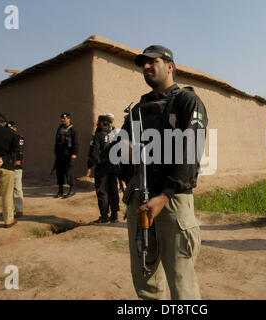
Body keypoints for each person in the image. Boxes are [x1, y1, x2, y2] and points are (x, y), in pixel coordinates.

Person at [121, 45, 208, 299]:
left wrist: (166, 194)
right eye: (143, 64)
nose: (146, 67)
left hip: (172, 201)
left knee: (181, 281)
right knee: (145, 277)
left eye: (153, 62)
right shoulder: (137, 109)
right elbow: (121, 148)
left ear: (170, 66)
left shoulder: (187, 101)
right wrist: (124, 148)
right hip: (140, 199)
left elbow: (191, 150)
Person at [87, 115, 120, 224]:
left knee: (102, 191)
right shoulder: (114, 135)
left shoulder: (98, 136)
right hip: (114, 167)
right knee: (113, 190)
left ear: (102, 123)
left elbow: (94, 153)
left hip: (102, 168)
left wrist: (94, 164)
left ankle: (104, 216)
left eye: (98, 122)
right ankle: (114, 215)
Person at [53, 113, 79, 198]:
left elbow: (76, 143)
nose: (63, 120)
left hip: (68, 155)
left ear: (69, 119)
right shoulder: (60, 128)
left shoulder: (73, 130)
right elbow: (56, 141)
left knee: (69, 172)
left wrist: (74, 153)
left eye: (64, 118)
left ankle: (72, 190)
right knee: (59, 173)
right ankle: (60, 190)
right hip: (60, 155)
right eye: (62, 118)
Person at [7, 121, 25, 218]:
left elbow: (19, 151)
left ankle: (19, 210)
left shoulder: (19, 138)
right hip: (7, 167)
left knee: (17, 188)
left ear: (15, 128)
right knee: (7, 190)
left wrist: (16, 161)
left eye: (11, 128)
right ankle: (9, 209)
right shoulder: (4, 139)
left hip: (16, 166)